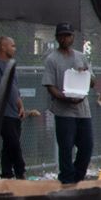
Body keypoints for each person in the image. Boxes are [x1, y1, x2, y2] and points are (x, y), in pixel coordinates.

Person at [0, 30, 38, 179]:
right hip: (1, 112)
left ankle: (6, 173)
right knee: (13, 143)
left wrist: (20, 105)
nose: (15, 48)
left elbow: (14, 89)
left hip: (14, 112)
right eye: (12, 45)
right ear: (3, 47)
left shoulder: (11, 66)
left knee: (9, 144)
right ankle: (21, 172)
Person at [41, 22, 94, 184]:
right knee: (66, 147)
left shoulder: (81, 57)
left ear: (73, 37)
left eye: (68, 35)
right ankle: (66, 180)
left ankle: (77, 177)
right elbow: (50, 86)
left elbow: (92, 81)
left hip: (83, 111)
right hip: (64, 111)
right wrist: (65, 97)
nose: (65, 38)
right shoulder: (52, 59)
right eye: (61, 35)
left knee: (87, 146)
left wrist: (85, 76)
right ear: (57, 37)